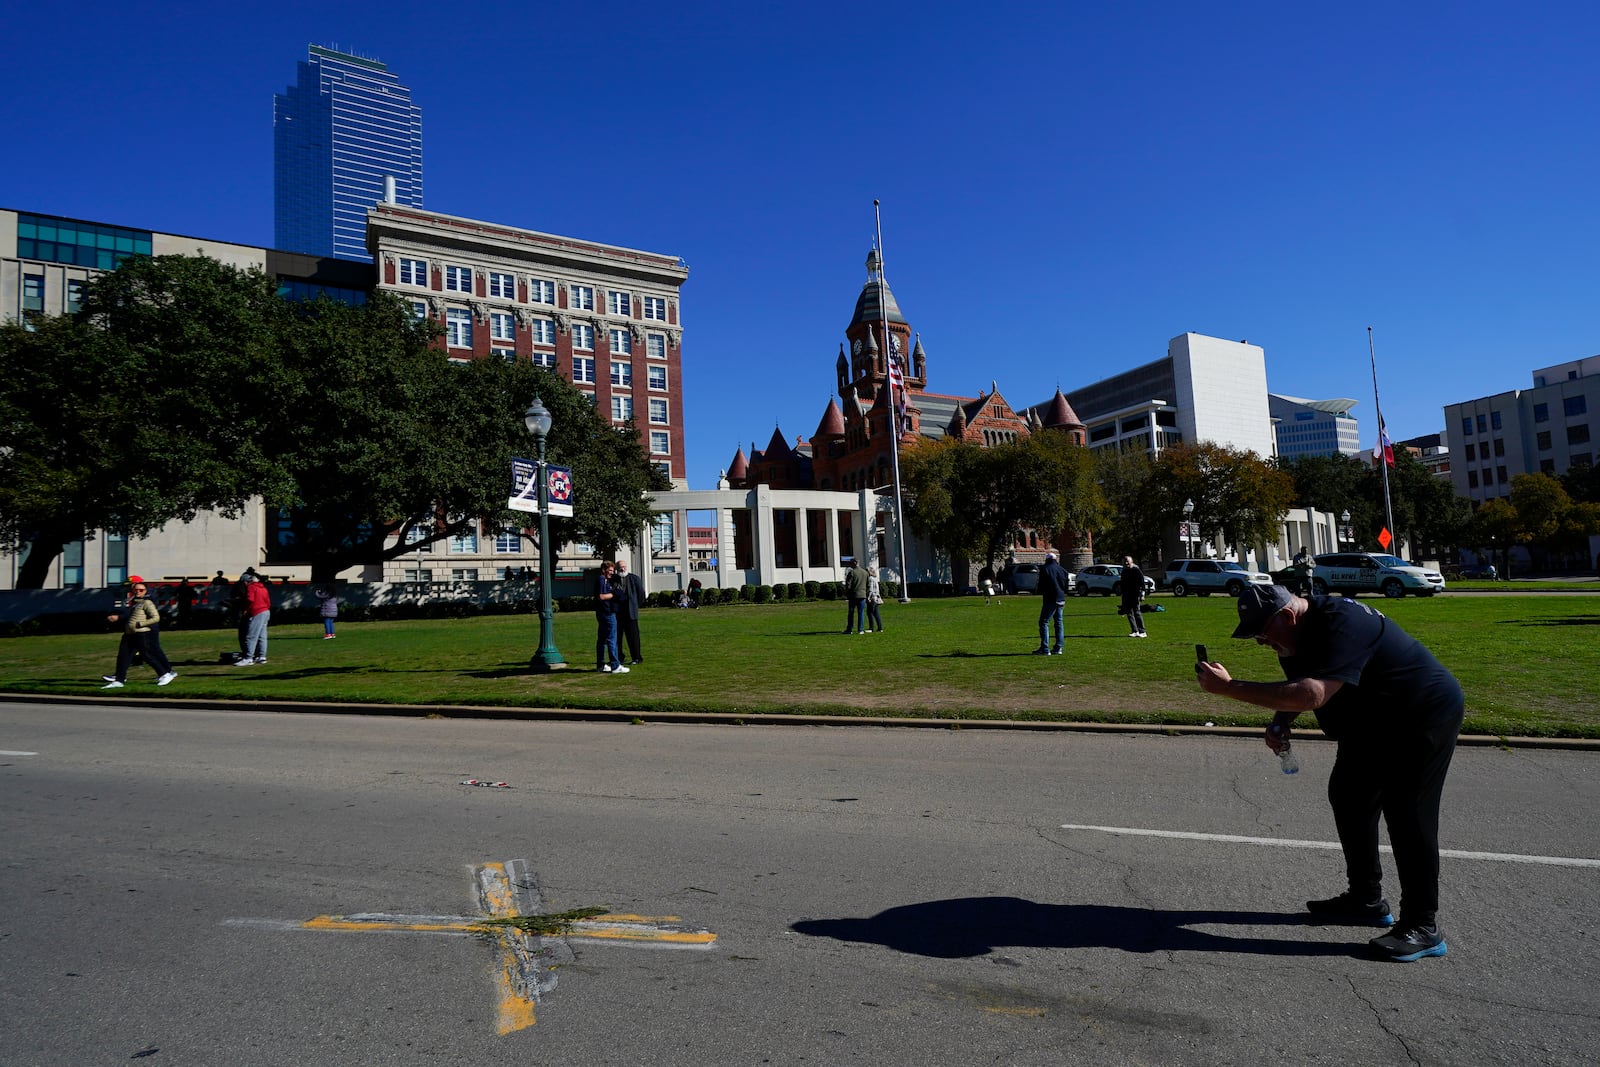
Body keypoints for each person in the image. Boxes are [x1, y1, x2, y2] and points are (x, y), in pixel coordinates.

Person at [1194, 585, 1464, 963]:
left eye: (1262, 632)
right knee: (1349, 795)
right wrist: (1280, 722)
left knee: (1407, 812)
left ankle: (1423, 924)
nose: (1260, 642)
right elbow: (1297, 688)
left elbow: (1312, 693)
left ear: (1287, 617)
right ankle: (1365, 899)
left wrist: (1228, 688)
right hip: (1371, 722)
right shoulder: (1293, 636)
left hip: (1420, 713)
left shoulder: (1341, 621)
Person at [101, 577, 177, 688]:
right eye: (134, 589)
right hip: (131, 632)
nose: (135, 590)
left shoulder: (146, 599)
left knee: (150, 653)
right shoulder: (135, 599)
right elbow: (132, 615)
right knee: (125, 655)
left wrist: (138, 624)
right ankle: (119, 678)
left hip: (145, 631)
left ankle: (166, 673)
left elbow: (153, 617)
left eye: (138, 589)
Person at [593, 561, 629, 674]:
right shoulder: (602, 580)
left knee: (602, 640)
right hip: (607, 613)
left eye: (613, 571)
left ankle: (601, 665)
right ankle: (615, 665)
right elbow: (601, 596)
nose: (611, 573)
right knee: (612, 639)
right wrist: (614, 594)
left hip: (602, 613)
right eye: (610, 570)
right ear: (604, 570)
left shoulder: (604, 580)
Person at [1034, 552, 1071, 655]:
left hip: (1050, 598)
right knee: (1059, 623)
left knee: (1044, 622)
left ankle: (1045, 648)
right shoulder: (1061, 569)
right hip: (1061, 597)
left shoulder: (1045, 569)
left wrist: (1039, 591)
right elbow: (1066, 582)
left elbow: (1041, 584)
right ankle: (1059, 647)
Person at [234, 571, 272, 665]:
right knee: (262, 636)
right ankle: (261, 657)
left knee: (251, 636)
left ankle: (248, 658)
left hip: (257, 612)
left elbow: (250, 599)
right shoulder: (262, 587)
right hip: (265, 611)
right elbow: (268, 601)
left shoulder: (251, 587)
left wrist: (246, 609)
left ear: (246, 581)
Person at [614, 559, 647, 664]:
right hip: (617, 613)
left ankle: (636, 657)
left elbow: (641, 594)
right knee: (617, 637)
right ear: (616, 569)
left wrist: (635, 606)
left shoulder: (634, 579)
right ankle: (619, 657)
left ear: (626, 567)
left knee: (633, 637)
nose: (622, 569)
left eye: (623, 567)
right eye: (619, 567)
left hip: (630, 613)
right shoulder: (613, 580)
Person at [1120, 556, 1147, 638]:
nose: (1126, 563)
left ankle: (1142, 631)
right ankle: (1134, 630)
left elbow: (1142, 583)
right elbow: (1123, 584)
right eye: (1124, 562)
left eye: (1127, 561)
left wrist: (1142, 594)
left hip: (1135, 594)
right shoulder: (1124, 572)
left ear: (1131, 561)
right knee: (1129, 613)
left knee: (1137, 612)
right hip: (1126, 595)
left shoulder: (1136, 571)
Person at [842, 559, 870, 634]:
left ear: (855, 563)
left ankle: (849, 629)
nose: (850, 565)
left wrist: (848, 594)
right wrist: (866, 593)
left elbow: (848, 585)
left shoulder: (852, 572)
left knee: (851, 612)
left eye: (851, 563)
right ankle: (860, 629)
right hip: (862, 595)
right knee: (861, 613)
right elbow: (868, 585)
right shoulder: (865, 572)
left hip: (853, 595)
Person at [864, 567, 885, 633]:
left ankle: (871, 627)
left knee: (869, 612)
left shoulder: (870, 579)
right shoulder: (875, 579)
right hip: (876, 596)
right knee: (876, 613)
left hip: (872, 597)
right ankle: (880, 627)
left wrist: (868, 597)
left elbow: (870, 589)